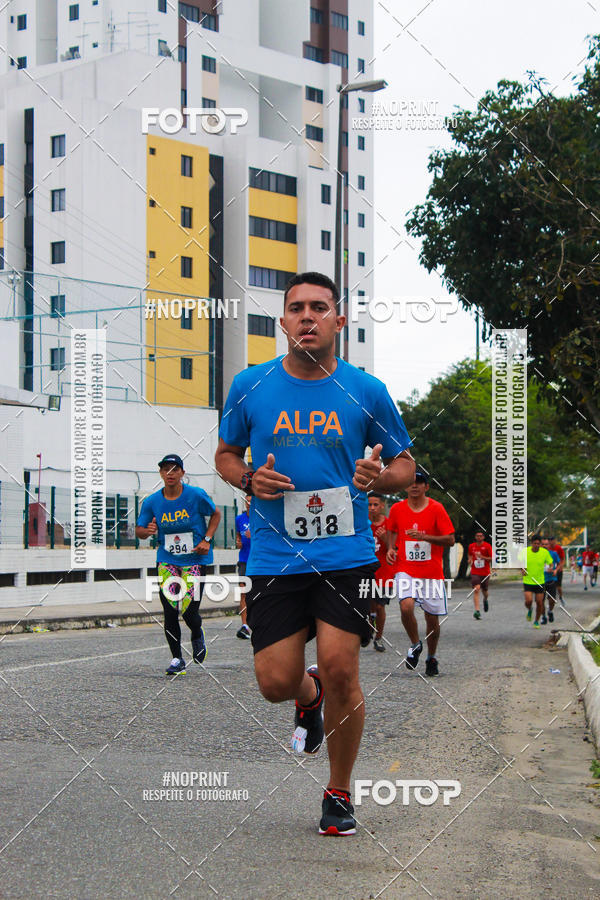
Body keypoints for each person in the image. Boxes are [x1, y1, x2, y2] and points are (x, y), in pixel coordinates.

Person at [215, 271, 414, 836]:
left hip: (343, 553)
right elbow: (226, 454)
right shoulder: (250, 386)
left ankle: (339, 792)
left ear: (338, 321)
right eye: (297, 308)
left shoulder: (366, 390)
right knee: (275, 682)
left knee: (342, 666)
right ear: (282, 322)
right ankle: (309, 697)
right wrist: (249, 477)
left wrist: (379, 478)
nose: (308, 316)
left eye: (319, 308)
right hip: (276, 556)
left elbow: (405, 466)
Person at [136, 454, 221, 674]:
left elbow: (216, 514)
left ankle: (197, 634)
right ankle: (177, 659)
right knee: (170, 609)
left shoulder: (195, 496)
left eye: (175, 469)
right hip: (168, 560)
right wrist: (147, 531)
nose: (170, 473)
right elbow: (140, 530)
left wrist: (207, 540)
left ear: (182, 473)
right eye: (166, 470)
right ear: (161, 473)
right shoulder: (153, 501)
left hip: (195, 559)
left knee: (189, 612)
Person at [386, 469, 455, 676]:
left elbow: (450, 540)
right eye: (410, 482)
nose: (414, 485)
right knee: (406, 607)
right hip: (405, 568)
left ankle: (431, 657)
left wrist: (425, 537)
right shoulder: (397, 508)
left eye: (419, 482)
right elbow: (391, 529)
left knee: (431, 619)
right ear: (405, 486)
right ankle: (415, 644)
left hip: (431, 573)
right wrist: (390, 547)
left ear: (426, 486)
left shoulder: (436, 508)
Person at [367, 492, 395, 652]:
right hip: (367, 573)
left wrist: (385, 538)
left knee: (380, 606)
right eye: (370, 505)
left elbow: (394, 549)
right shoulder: (363, 525)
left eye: (375, 505)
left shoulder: (389, 525)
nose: (372, 508)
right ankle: (370, 625)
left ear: (382, 506)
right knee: (369, 606)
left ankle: (378, 637)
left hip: (385, 573)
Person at [521, 533, 555, 628]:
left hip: (540, 582)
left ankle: (536, 621)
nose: (537, 545)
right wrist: (522, 569)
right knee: (528, 601)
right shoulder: (525, 552)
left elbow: (551, 563)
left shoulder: (544, 553)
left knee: (540, 602)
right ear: (531, 543)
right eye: (535, 543)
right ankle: (530, 609)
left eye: (538, 543)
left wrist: (551, 568)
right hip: (528, 581)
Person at [235, 495, 252, 639]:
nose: (249, 504)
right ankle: (245, 625)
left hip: (259, 561)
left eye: (252, 501)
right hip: (244, 560)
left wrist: (255, 536)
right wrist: (238, 542)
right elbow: (238, 537)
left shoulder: (262, 518)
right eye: (247, 501)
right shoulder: (239, 519)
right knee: (243, 593)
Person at [468, 530, 493, 619]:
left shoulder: (487, 546)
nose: (479, 537)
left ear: (483, 537)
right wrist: (470, 560)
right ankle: (477, 611)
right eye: (477, 536)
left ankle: (485, 600)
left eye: (480, 536)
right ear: (475, 537)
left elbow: (491, 558)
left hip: (485, 572)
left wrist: (482, 557)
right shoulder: (471, 546)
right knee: (476, 589)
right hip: (475, 572)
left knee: (485, 591)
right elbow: (470, 555)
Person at [541, 536, 560, 623]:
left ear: (549, 545)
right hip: (540, 580)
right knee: (540, 600)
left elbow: (559, 564)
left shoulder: (554, 554)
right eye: (543, 544)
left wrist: (555, 570)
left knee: (552, 600)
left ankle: (550, 611)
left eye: (546, 544)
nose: (544, 546)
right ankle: (543, 616)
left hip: (551, 579)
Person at [550, 536, 566, 606]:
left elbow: (562, 559)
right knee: (551, 586)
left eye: (553, 541)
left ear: (555, 541)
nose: (552, 543)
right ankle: (551, 600)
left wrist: (561, 566)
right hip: (550, 571)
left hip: (558, 570)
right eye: (550, 541)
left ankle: (561, 597)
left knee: (558, 586)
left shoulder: (558, 548)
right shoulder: (548, 549)